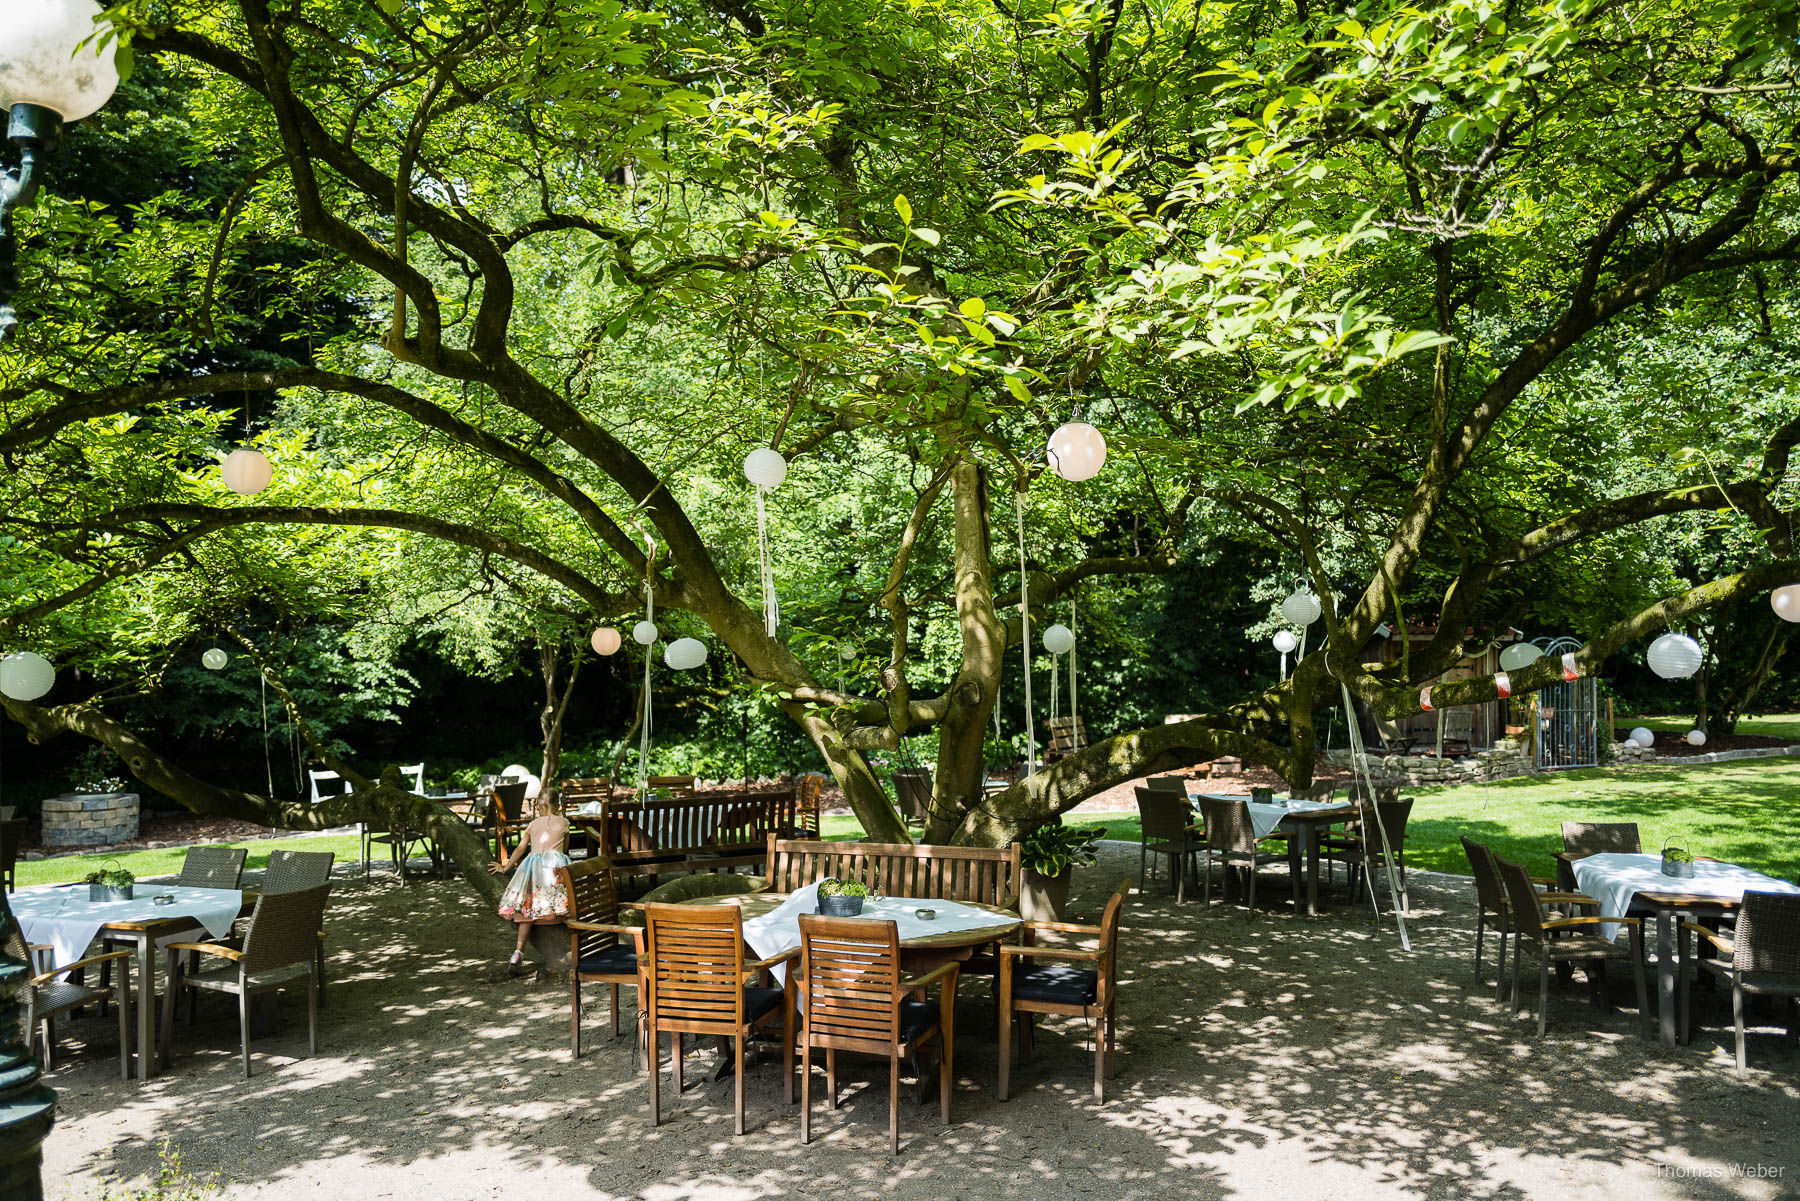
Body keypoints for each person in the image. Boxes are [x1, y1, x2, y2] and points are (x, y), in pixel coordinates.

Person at [489, 794, 570, 973]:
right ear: (558, 805)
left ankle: (518, 951)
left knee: (527, 906)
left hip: (533, 866)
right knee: (567, 897)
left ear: (538, 806)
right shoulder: (564, 822)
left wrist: (505, 867)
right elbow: (565, 848)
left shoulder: (533, 824)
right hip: (555, 867)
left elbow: (520, 848)